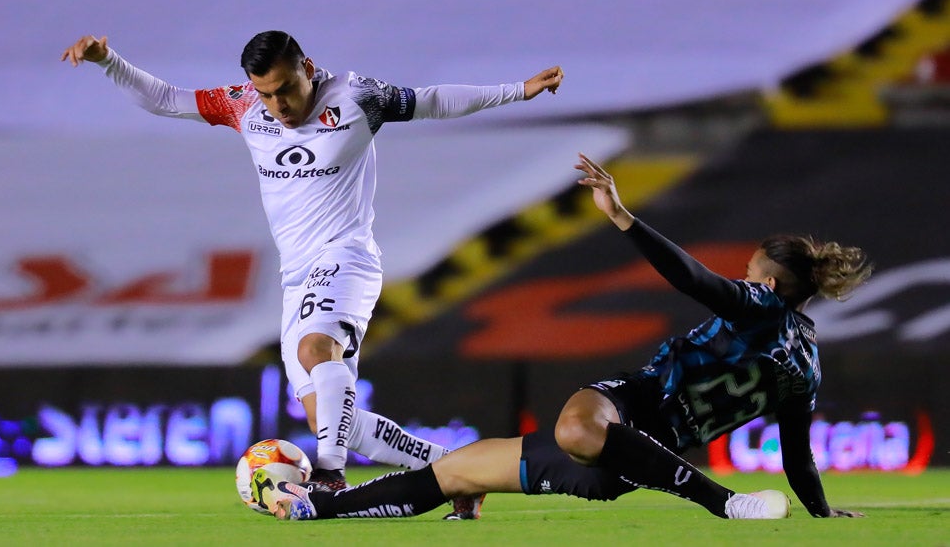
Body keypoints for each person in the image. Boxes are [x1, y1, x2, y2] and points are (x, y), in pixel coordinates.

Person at [61, 31, 564, 518]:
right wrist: (109, 61)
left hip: (347, 257)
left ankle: (329, 476)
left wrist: (518, 90)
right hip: (295, 276)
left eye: (285, 89)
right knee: (333, 420)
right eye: (266, 94)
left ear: (307, 68)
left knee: (316, 352)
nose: (277, 105)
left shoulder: (356, 96)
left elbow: (432, 99)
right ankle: (456, 475)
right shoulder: (244, 105)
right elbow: (167, 98)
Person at [257, 152, 873, 521]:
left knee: (576, 426)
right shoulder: (807, 360)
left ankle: (725, 503)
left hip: (639, 413)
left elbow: (695, 280)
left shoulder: (759, 303)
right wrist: (820, 510)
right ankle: (315, 508)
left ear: (769, 280)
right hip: (644, 449)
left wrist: (623, 217)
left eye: (750, 273)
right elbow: (797, 451)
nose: (743, 278)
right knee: (459, 472)